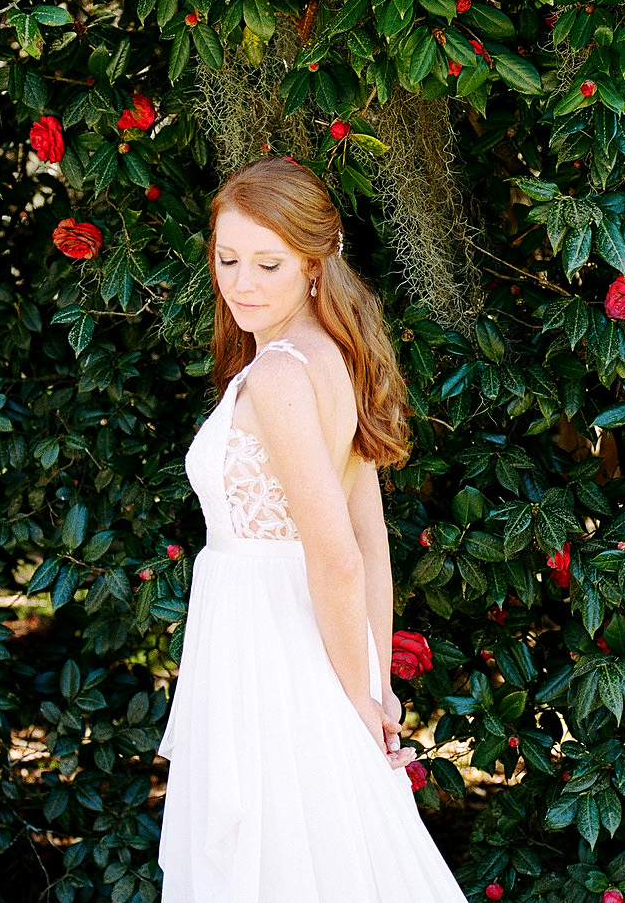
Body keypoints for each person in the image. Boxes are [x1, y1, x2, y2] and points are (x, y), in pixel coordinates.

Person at [156, 157, 469, 902]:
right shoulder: (331, 358)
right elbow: (368, 540)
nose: (242, 283)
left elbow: (341, 555)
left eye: (268, 263)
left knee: (286, 855)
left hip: (275, 647)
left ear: (313, 266)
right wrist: (372, 680)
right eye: (228, 259)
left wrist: (360, 697)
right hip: (286, 639)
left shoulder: (278, 377)